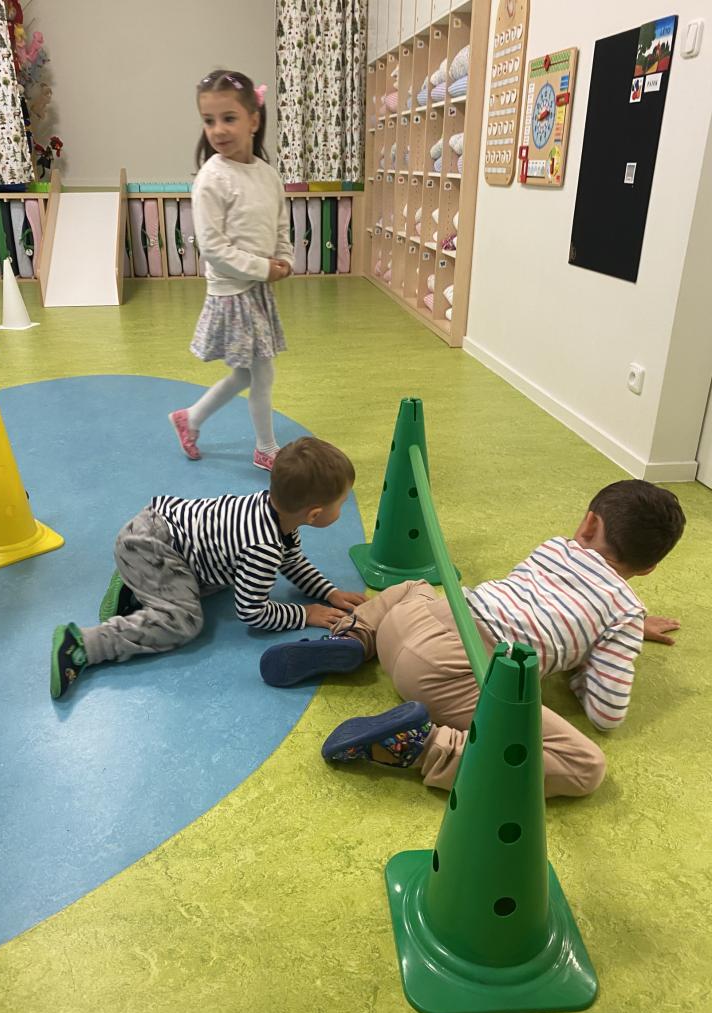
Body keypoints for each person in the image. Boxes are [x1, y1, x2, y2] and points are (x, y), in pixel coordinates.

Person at [259, 480, 686, 798]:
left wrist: (610, 629)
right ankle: (420, 746)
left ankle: (355, 637)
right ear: (649, 568)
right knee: (585, 766)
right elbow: (606, 713)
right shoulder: (625, 611)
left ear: (589, 523)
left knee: (414, 587)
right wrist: (599, 652)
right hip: (453, 673)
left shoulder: (555, 548)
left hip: (411, 622)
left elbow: (545, 601)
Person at [50, 438, 366, 699]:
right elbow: (253, 613)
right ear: (313, 515)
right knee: (184, 622)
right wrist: (304, 614)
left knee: (224, 576)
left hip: (160, 534)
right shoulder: (263, 547)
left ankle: (138, 585)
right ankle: (84, 645)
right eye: (342, 503)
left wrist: (328, 592)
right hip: (150, 546)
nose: (343, 507)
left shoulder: (272, 510)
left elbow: (292, 561)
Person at [168, 69, 294, 472]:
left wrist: (285, 259)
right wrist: (262, 268)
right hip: (232, 292)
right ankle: (266, 448)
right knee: (262, 373)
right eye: (209, 120)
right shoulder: (211, 179)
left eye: (229, 118)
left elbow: (280, 227)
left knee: (246, 374)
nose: (218, 130)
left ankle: (190, 418)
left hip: (256, 289)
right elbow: (213, 248)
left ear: (254, 120)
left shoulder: (268, 175)